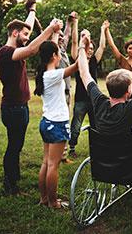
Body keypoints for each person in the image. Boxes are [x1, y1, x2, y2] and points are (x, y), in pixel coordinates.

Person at [0, 0, 62, 195]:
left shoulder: (15, 48)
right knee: (14, 146)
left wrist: (32, 11)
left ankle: (13, 178)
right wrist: (50, 29)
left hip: (20, 107)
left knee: (17, 145)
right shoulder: (5, 53)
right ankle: (10, 184)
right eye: (24, 34)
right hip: (13, 108)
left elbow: (29, 31)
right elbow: (33, 48)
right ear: (14, 33)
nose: (27, 36)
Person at [34, 41, 79, 208]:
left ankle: (44, 198)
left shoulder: (45, 73)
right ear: (54, 55)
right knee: (53, 164)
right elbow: (77, 66)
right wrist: (83, 45)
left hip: (46, 122)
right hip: (56, 123)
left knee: (46, 162)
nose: (61, 54)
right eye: (59, 52)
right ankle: (53, 202)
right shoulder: (53, 74)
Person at [68, 15, 105, 158]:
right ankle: (72, 148)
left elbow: (102, 46)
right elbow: (75, 41)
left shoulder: (94, 60)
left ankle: (96, 148)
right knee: (76, 125)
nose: (90, 50)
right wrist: (76, 23)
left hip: (94, 99)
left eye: (91, 49)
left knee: (96, 126)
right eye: (88, 48)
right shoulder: (78, 60)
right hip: (80, 99)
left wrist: (103, 30)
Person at [51, 11, 76, 163]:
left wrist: (69, 23)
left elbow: (66, 36)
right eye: (58, 37)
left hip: (67, 92)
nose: (62, 38)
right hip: (60, 94)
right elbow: (61, 38)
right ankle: (59, 155)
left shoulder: (63, 50)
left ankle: (63, 155)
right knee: (61, 124)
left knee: (66, 123)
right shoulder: (53, 53)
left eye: (62, 37)